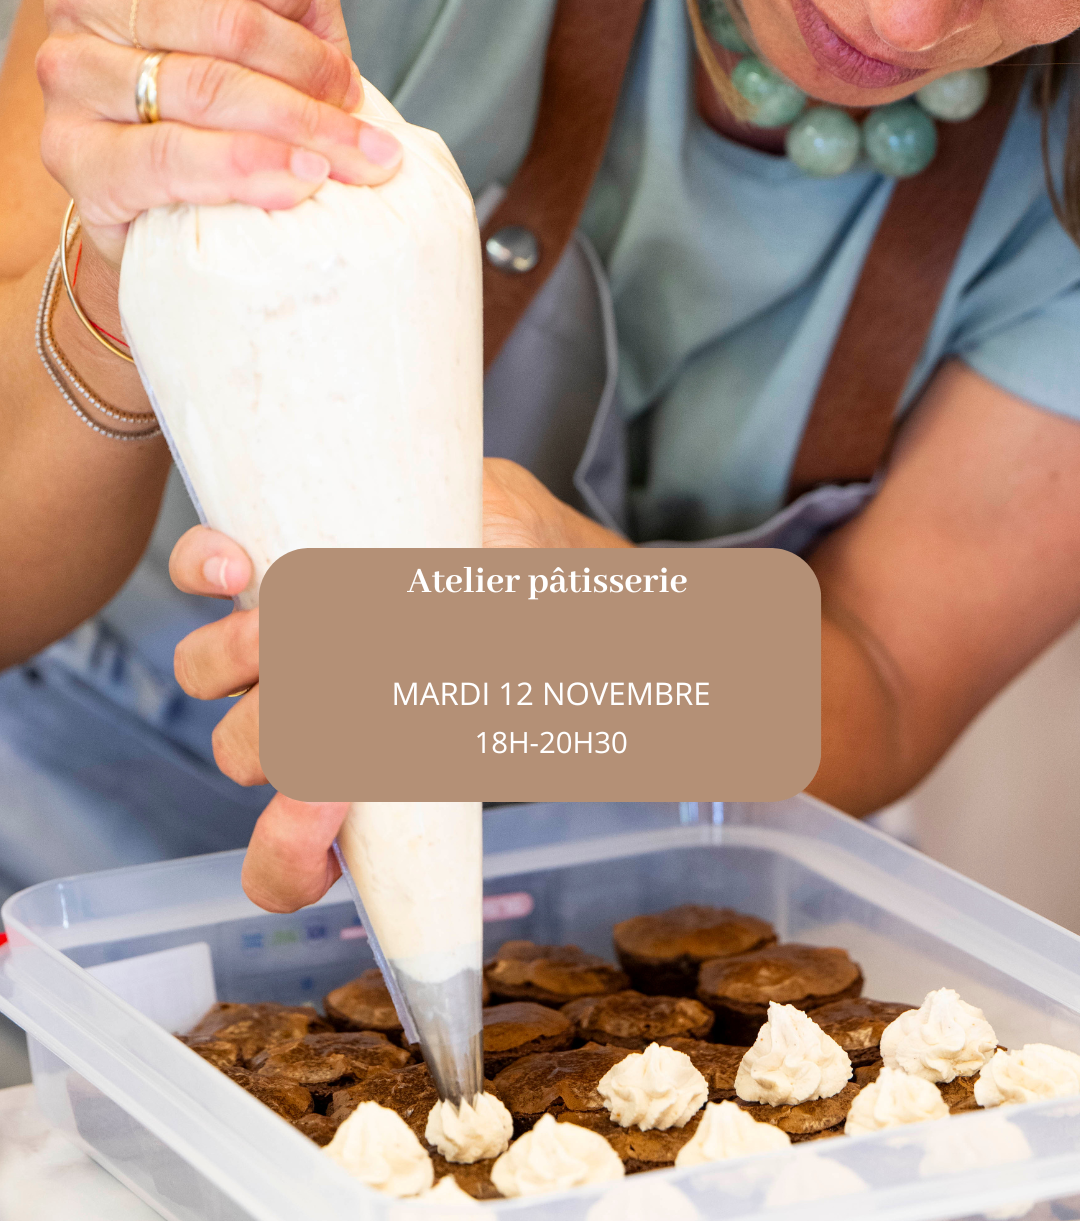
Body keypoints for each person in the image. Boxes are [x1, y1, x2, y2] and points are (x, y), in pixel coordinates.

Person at [1, 0, 1079, 911]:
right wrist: (113, 276)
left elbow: (882, 674)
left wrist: (605, 649)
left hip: (626, 929)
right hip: (58, 831)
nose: (900, 22)